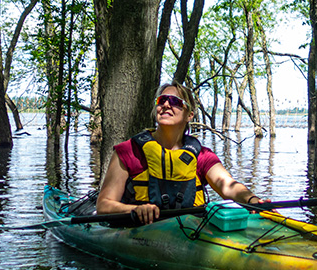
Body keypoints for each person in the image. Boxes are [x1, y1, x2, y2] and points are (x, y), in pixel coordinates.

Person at [96, 82, 266, 224]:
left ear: (189, 115)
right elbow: (103, 205)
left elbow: (229, 187)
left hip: (187, 231)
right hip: (137, 231)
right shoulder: (129, 151)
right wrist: (135, 209)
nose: (166, 105)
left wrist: (252, 201)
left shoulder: (202, 156)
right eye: (162, 100)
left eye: (175, 101)